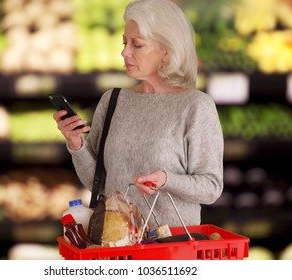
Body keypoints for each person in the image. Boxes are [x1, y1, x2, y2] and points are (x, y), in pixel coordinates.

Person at [53, 0, 223, 228]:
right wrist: (76, 145)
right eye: (124, 42)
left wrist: (166, 180)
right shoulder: (113, 100)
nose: (124, 52)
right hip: (116, 246)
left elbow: (211, 188)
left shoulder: (196, 106)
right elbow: (98, 183)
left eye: (137, 45)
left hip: (171, 249)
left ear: (166, 51)